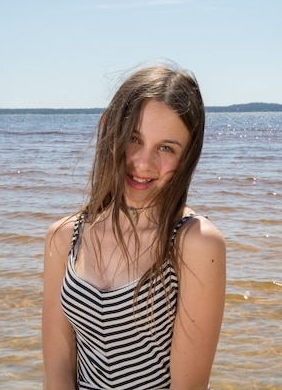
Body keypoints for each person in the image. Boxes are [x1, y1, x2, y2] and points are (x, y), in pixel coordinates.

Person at [42, 63, 226, 390]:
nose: (143, 163)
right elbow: (58, 369)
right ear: (108, 129)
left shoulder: (194, 243)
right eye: (134, 139)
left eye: (166, 148)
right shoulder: (65, 236)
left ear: (187, 158)